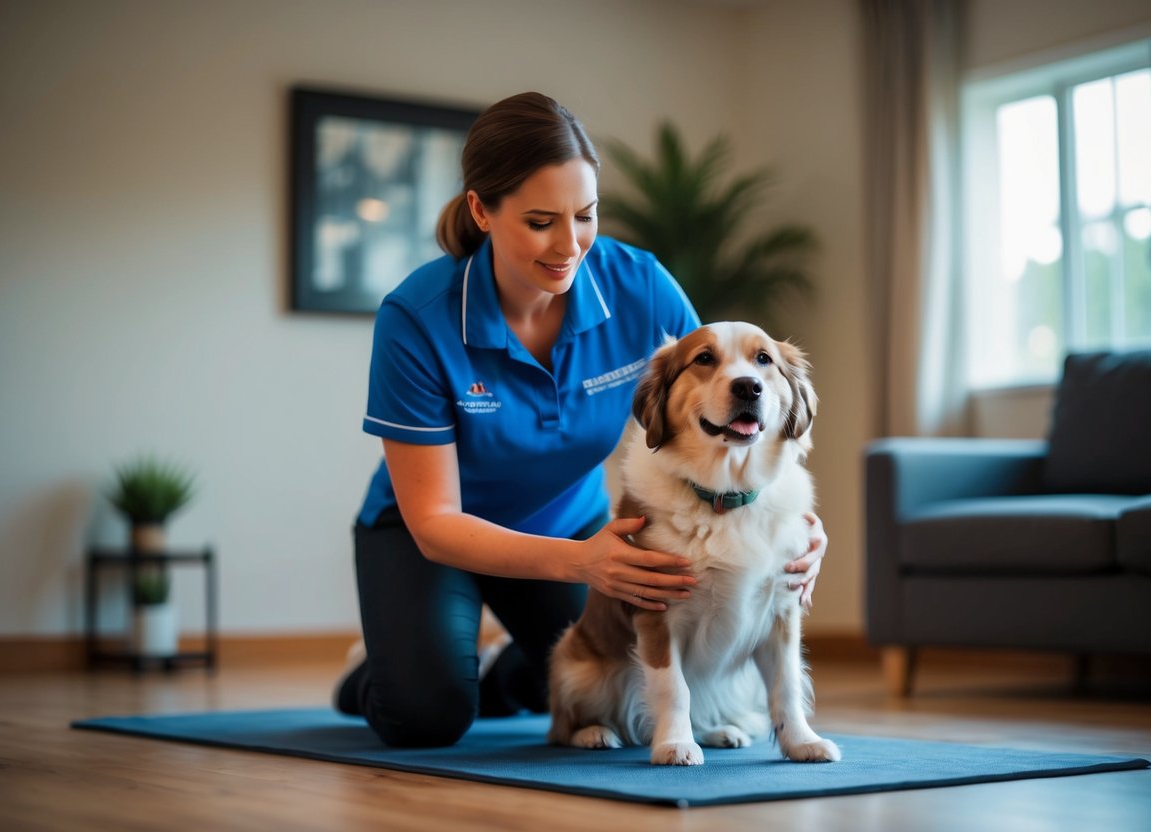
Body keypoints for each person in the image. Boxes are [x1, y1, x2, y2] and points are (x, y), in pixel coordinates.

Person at [334, 92, 828, 748]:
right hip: (431, 537)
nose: (570, 245)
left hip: (569, 525)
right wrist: (581, 564)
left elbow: (722, 406)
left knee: (597, 671)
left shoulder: (639, 285)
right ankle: (378, 672)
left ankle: (492, 667)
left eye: (585, 216)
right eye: (540, 221)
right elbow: (435, 522)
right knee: (427, 715)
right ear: (481, 210)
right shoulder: (417, 318)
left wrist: (793, 527)